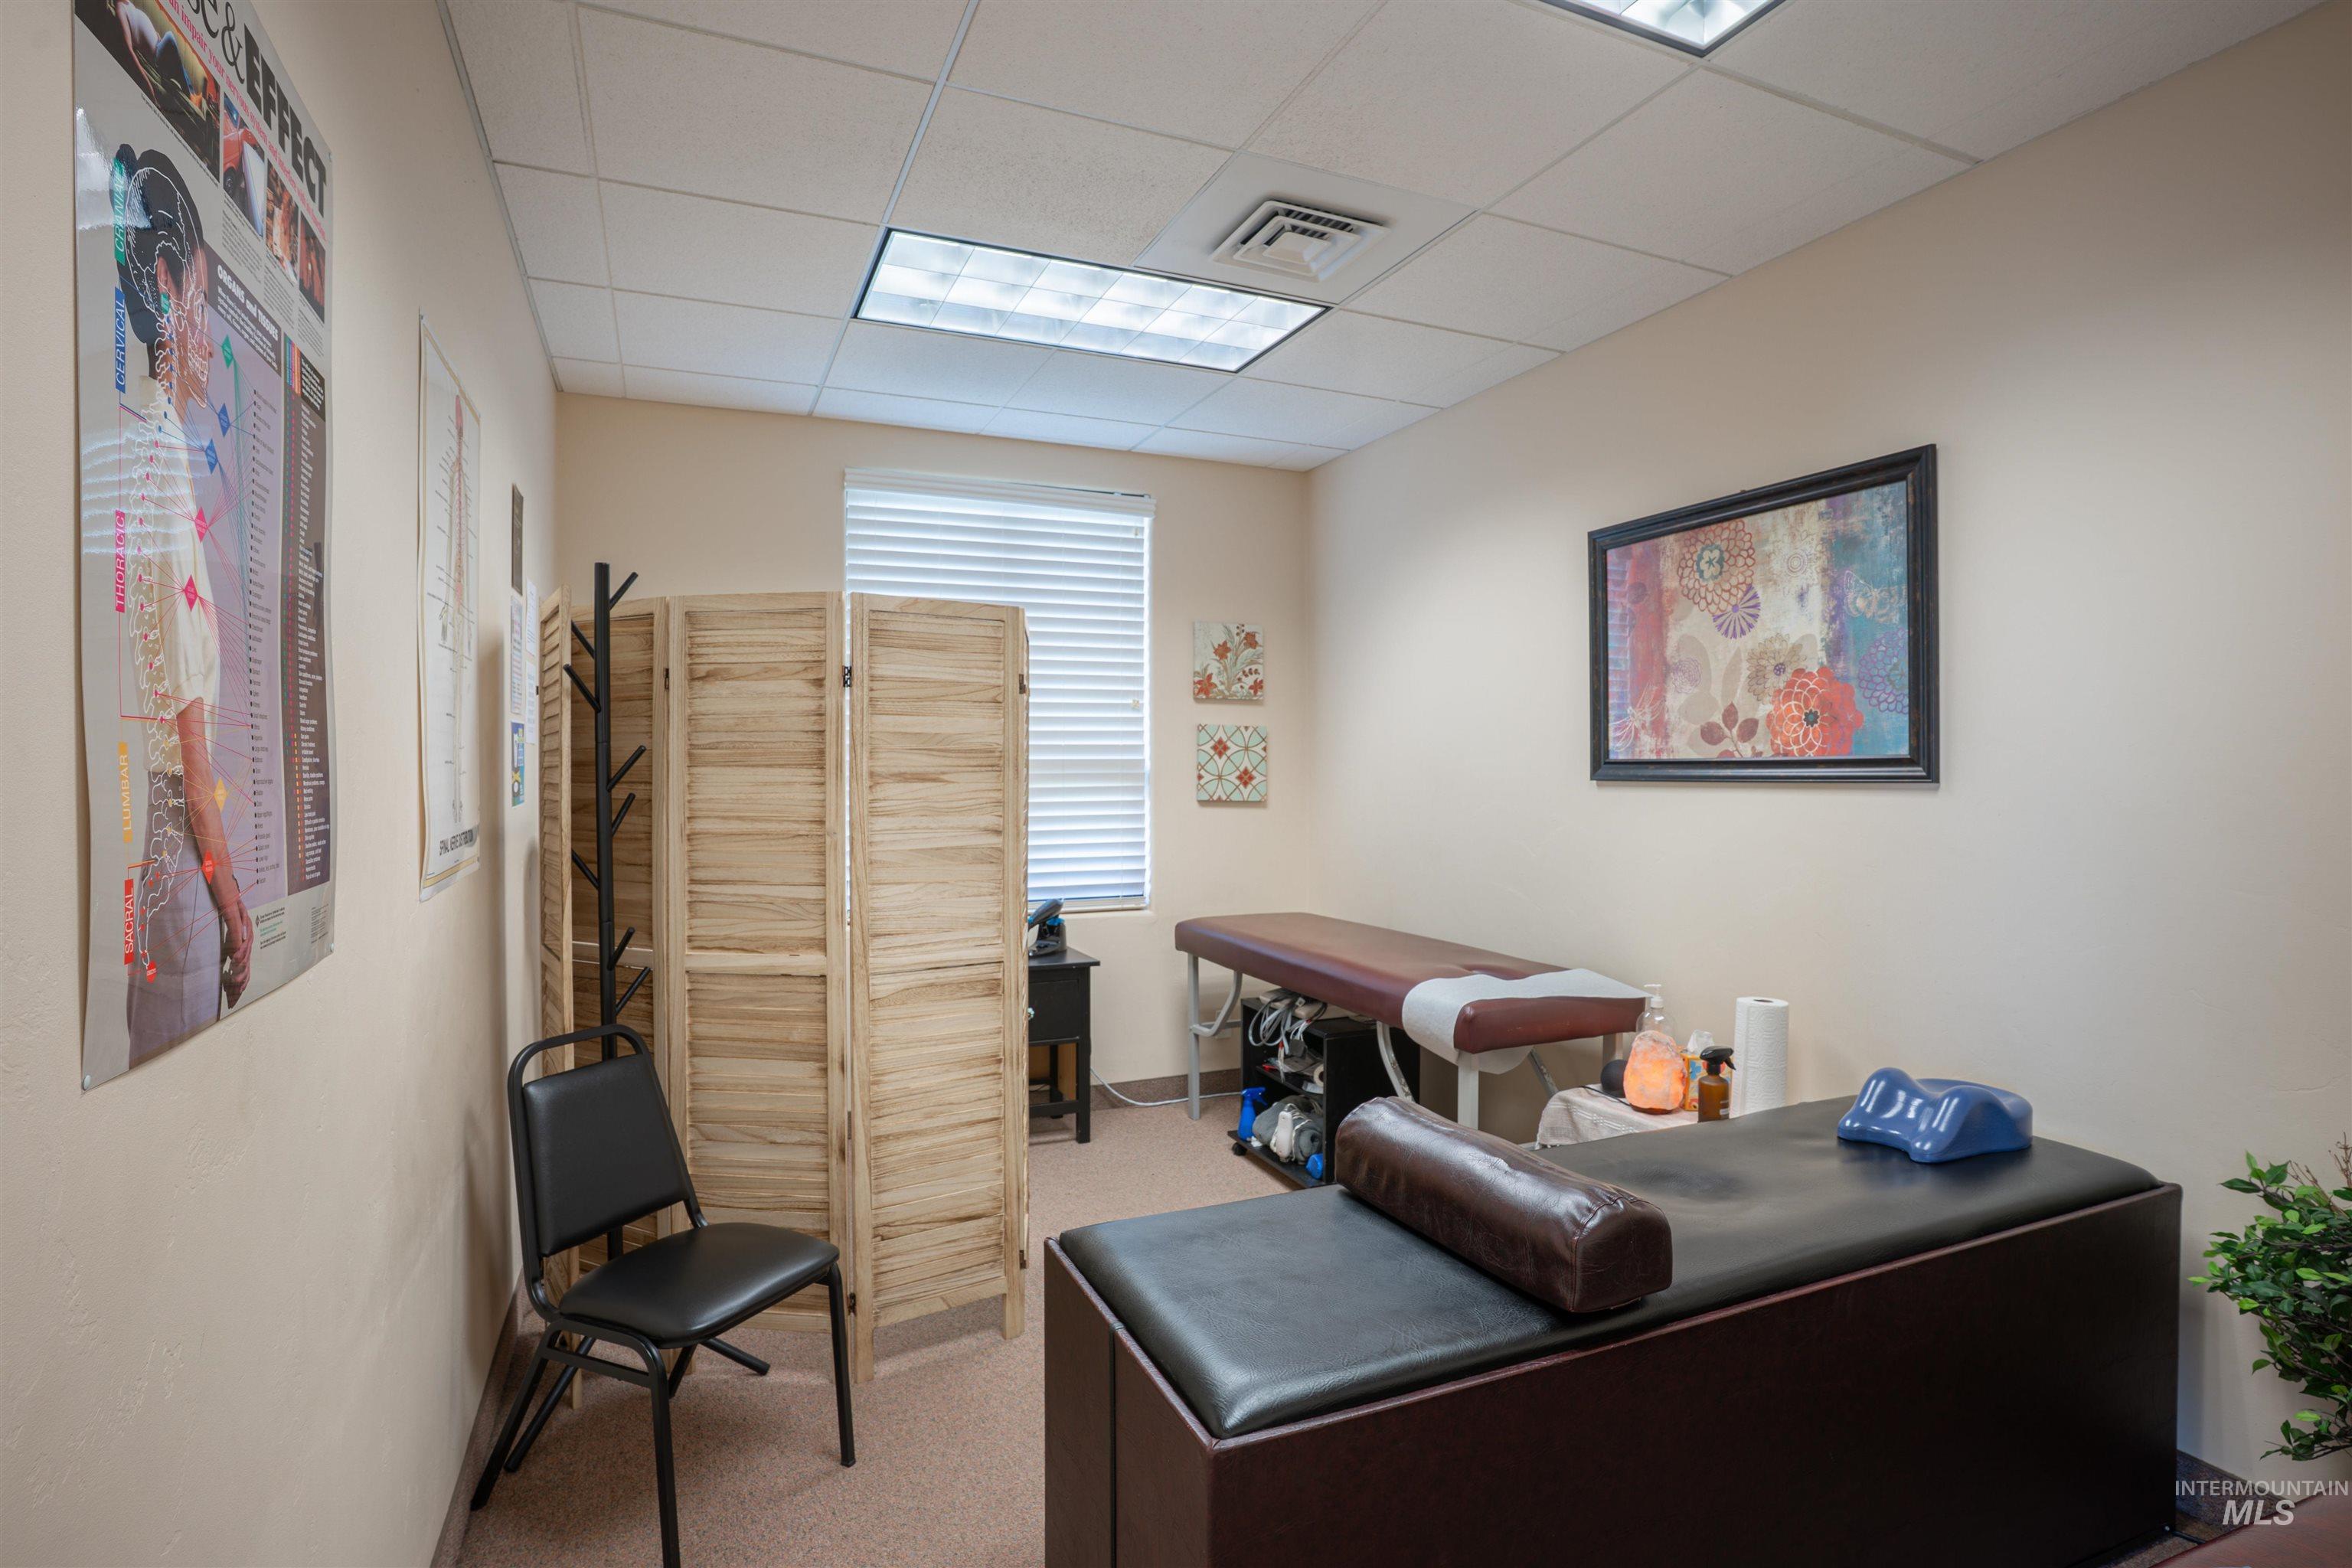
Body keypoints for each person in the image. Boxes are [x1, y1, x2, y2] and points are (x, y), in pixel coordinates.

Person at [114, 145, 252, 1065]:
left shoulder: (154, 452)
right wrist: (234, 899)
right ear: (166, 286)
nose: (213, 339)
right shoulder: (159, 468)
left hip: (174, 856)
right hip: (182, 856)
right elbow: (186, 742)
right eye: (201, 300)